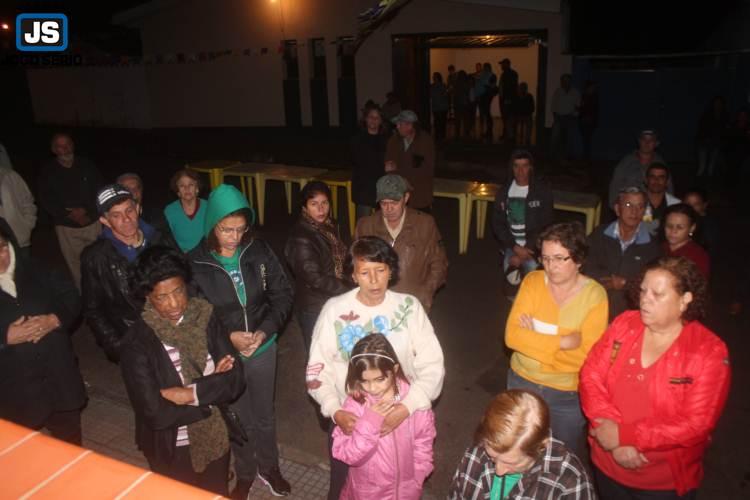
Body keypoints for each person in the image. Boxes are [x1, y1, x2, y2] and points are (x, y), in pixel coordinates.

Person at [306, 236, 445, 500]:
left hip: (402, 419)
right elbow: (317, 369)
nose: (373, 280)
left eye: (380, 270)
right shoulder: (335, 310)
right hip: (352, 422)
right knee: (342, 488)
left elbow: (432, 365)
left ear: (391, 270)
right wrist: (335, 411)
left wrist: (407, 407)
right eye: (364, 272)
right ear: (353, 275)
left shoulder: (408, 307)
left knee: (399, 486)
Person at [580, 257, 730, 499]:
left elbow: (696, 423)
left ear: (685, 300)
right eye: (643, 290)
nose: (644, 299)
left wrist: (625, 436)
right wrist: (608, 429)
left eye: (657, 294)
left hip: (661, 483)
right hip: (606, 464)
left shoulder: (708, 351)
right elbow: (591, 375)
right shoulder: (625, 323)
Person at [188, 184, 294, 498]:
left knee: (264, 415)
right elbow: (195, 316)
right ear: (212, 226)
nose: (235, 237)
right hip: (226, 355)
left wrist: (265, 330)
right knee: (238, 417)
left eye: (240, 229)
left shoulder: (258, 250)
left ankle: (269, 467)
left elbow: (283, 293)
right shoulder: (195, 263)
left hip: (262, 349)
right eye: (226, 230)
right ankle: (245, 473)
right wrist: (227, 338)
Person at [120, 246, 245, 495]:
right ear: (147, 296)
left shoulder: (206, 317)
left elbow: (236, 379)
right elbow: (154, 412)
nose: (174, 303)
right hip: (171, 447)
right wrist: (210, 392)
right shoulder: (137, 342)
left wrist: (190, 394)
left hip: (215, 436)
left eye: (178, 291)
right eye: (162, 297)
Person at [505, 221, 608, 456]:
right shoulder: (533, 282)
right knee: (518, 452)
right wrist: (562, 342)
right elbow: (512, 337)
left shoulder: (595, 296)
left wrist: (534, 339)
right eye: (546, 258)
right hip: (523, 382)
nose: (550, 266)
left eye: (559, 258)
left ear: (578, 259)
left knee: (561, 458)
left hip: (566, 395)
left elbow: (585, 357)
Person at [0, 226, 86, 445]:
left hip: (59, 380)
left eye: (1, 248)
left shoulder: (38, 268)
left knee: (70, 445)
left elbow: (72, 298)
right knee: (25, 453)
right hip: (14, 392)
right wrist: (5, 337)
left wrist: (54, 319)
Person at [332, 333, 436, 500]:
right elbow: (347, 455)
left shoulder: (413, 400)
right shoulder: (355, 405)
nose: (372, 388)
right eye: (364, 381)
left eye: (380, 379)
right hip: (367, 494)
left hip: (406, 492)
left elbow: (423, 441)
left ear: (394, 370)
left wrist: (418, 476)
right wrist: (368, 423)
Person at [449, 390, 596, 499]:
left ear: (541, 446)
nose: (499, 470)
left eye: (511, 463)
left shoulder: (569, 480)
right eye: (492, 457)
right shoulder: (477, 452)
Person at [82, 184, 168, 362]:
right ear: (105, 221)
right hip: (135, 342)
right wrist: (118, 347)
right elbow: (93, 310)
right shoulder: (96, 258)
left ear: (138, 208)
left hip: (172, 331)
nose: (126, 219)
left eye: (129, 210)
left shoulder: (160, 239)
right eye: (116, 215)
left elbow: (185, 281)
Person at [355, 174, 448, 312]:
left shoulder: (425, 224)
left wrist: (425, 292)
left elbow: (439, 263)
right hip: (376, 304)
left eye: (394, 202)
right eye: (384, 203)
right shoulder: (366, 226)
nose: (389, 208)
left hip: (413, 303)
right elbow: (355, 266)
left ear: (406, 198)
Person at [284, 181, 350, 353]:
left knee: (338, 351)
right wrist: (349, 288)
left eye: (324, 203)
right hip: (314, 306)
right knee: (318, 355)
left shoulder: (330, 226)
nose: (321, 209)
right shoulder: (301, 237)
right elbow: (315, 278)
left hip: (333, 298)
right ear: (304, 207)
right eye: (314, 204)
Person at [584, 187, 663, 320]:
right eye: (628, 205)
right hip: (593, 307)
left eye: (640, 206)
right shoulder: (599, 234)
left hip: (629, 316)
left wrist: (625, 283)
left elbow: (653, 285)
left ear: (644, 211)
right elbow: (584, 265)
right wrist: (607, 279)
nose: (634, 211)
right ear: (617, 209)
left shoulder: (652, 246)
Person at [37, 133, 103, 289]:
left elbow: (100, 189)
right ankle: (84, 294)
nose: (65, 149)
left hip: (92, 223)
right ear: (54, 149)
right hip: (66, 227)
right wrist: (69, 214)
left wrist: (86, 211)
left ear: (73, 145)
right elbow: (46, 199)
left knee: (100, 259)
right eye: (60, 146)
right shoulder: (48, 172)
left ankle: (103, 291)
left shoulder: (87, 165)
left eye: (67, 144)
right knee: (76, 265)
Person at [491, 149, 553, 293]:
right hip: (512, 244)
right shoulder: (503, 192)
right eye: (516, 166)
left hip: (534, 246)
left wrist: (527, 250)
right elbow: (497, 224)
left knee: (533, 277)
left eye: (524, 166)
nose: (520, 171)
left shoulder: (542, 192)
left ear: (530, 167)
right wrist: (515, 248)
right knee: (512, 282)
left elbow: (546, 225)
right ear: (511, 168)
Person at [384, 110, 436, 211]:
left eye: (400, 124)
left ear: (410, 125)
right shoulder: (393, 141)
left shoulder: (425, 141)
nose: (397, 127)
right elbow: (388, 166)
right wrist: (402, 179)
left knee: (420, 219)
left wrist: (399, 171)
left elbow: (425, 168)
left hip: (420, 194)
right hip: (398, 193)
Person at [608, 129, 673, 209]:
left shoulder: (661, 164)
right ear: (639, 141)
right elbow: (615, 185)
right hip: (628, 206)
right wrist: (614, 206)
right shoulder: (625, 163)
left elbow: (669, 188)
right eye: (644, 139)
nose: (647, 143)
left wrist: (670, 209)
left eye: (651, 140)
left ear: (656, 143)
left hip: (652, 209)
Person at [351, 103, 389, 220]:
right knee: (364, 221)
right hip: (364, 186)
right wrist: (383, 166)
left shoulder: (385, 139)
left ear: (381, 121)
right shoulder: (358, 139)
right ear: (365, 119)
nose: (373, 120)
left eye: (377, 117)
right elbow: (362, 163)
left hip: (381, 184)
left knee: (382, 220)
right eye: (371, 117)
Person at [164, 169, 207, 253]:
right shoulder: (169, 211)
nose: (187, 188)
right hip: (180, 255)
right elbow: (168, 240)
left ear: (197, 188)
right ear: (178, 191)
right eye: (182, 186)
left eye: (191, 184)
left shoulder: (208, 207)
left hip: (205, 254)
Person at [663, 204, 710, 280]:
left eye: (680, 227)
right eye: (669, 226)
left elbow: (699, 284)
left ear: (692, 228)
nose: (673, 231)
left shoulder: (698, 255)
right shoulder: (658, 247)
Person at [0, 167, 37, 259]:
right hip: (1, 244)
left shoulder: (9, 175)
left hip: (19, 238)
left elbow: (27, 201)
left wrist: (27, 225)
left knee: (24, 266)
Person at [695, 96, 729, 178]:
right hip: (704, 141)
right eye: (716, 103)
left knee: (712, 164)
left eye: (720, 103)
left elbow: (725, 130)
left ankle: (710, 176)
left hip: (716, 142)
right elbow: (701, 129)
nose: (718, 105)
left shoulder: (725, 116)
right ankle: (699, 177)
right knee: (702, 165)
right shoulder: (707, 114)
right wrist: (705, 138)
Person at [642, 163, 680, 236]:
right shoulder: (635, 202)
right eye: (652, 176)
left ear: (667, 182)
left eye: (661, 177)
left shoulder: (676, 205)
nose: (656, 180)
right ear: (646, 180)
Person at [550, 74, 581, 163]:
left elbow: (578, 105)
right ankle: (552, 155)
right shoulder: (558, 91)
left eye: (567, 80)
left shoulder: (575, 92)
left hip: (570, 117)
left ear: (570, 81)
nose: (565, 82)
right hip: (559, 117)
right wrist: (555, 115)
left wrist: (575, 115)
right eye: (563, 80)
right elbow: (553, 104)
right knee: (555, 136)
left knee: (569, 138)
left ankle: (568, 156)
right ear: (561, 82)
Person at [682, 187, 719, 256]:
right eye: (687, 203)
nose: (691, 207)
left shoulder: (709, 224)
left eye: (696, 204)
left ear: (704, 205)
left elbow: (708, 246)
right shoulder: (680, 217)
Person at [476, 62, 498, 142]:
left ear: (488, 68)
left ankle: (489, 131)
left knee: (487, 114)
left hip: (487, 96)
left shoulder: (491, 75)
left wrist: (485, 85)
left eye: (485, 67)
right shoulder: (484, 75)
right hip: (483, 96)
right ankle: (488, 131)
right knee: (486, 113)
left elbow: (492, 85)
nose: (483, 69)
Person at [499, 58, 519, 142]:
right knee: (508, 118)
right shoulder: (511, 73)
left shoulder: (508, 74)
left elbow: (509, 88)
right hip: (507, 99)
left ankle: (509, 135)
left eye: (502, 64)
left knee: (508, 118)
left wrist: (507, 99)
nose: (501, 66)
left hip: (507, 99)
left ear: (507, 64)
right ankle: (509, 134)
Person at [579, 80, 599, 161]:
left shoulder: (594, 97)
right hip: (584, 120)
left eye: (594, 87)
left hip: (590, 121)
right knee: (586, 139)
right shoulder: (584, 96)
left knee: (587, 139)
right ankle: (586, 156)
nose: (593, 89)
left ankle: (587, 157)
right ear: (588, 87)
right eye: (592, 87)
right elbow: (582, 108)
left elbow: (595, 110)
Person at [514, 82, 535, 147]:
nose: (522, 89)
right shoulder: (516, 97)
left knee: (529, 122)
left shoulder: (529, 96)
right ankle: (516, 138)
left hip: (526, 115)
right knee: (512, 121)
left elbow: (532, 107)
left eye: (523, 88)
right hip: (519, 115)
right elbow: (514, 107)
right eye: (521, 88)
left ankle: (527, 139)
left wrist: (527, 113)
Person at [430, 72, 449, 142]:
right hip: (441, 107)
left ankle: (439, 136)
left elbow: (431, 95)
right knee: (441, 122)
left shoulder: (433, 86)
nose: (433, 78)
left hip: (438, 107)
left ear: (437, 78)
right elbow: (446, 95)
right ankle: (441, 136)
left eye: (434, 76)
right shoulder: (442, 85)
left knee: (438, 122)